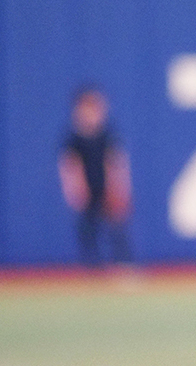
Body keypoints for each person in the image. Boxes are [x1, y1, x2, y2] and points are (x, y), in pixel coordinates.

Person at [58, 85, 133, 266]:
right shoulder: (73, 138)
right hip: (87, 190)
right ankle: (92, 269)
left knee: (117, 229)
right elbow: (70, 165)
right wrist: (74, 189)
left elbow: (116, 161)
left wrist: (119, 187)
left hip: (107, 188)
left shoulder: (108, 135)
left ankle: (123, 266)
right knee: (88, 230)